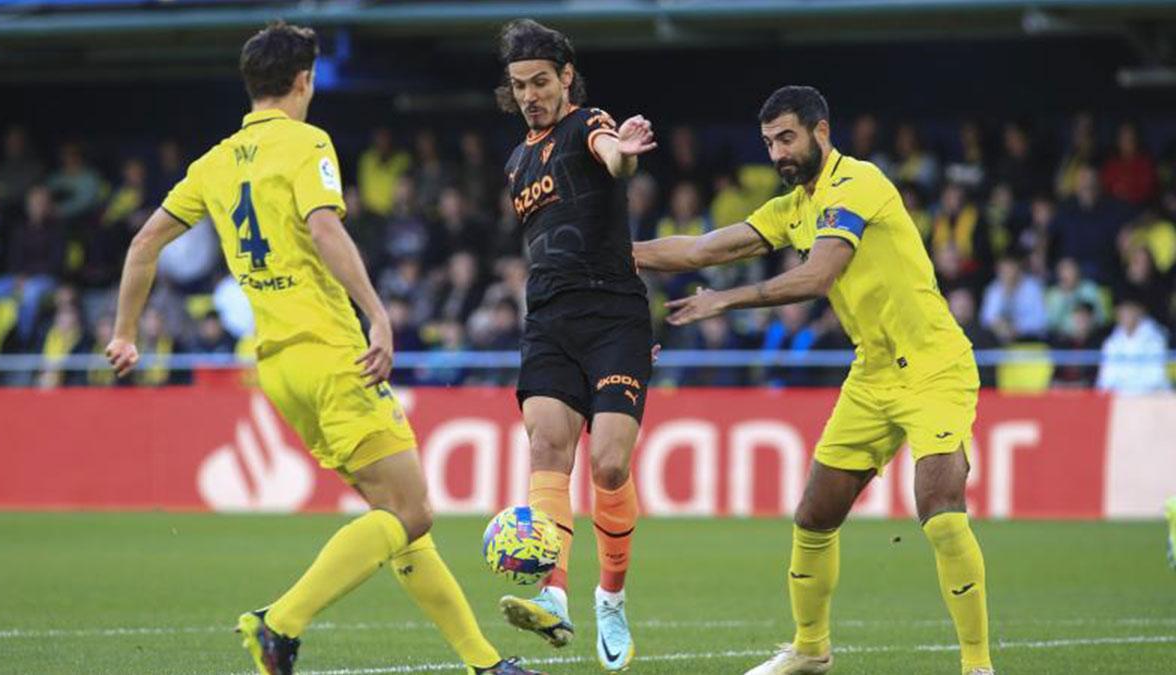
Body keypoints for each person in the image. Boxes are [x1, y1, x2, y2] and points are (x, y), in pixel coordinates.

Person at [103, 22, 540, 675]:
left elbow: (143, 244)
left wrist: (124, 332)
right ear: (304, 81)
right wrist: (378, 313)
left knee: (392, 518)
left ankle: (483, 663)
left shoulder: (215, 162)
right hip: (334, 354)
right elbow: (325, 226)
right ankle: (278, 622)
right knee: (413, 510)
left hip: (277, 366)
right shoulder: (308, 143)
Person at [633, 86, 994, 675]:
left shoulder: (860, 184)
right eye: (769, 142)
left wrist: (726, 300)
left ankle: (977, 666)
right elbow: (701, 249)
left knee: (940, 507)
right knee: (814, 515)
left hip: (934, 366)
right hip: (872, 373)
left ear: (821, 131)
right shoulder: (793, 207)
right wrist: (619, 254)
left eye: (787, 138)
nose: (778, 152)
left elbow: (819, 275)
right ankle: (810, 650)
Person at [493, 18, 657, 671]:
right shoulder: (515, 162)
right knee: (547, 446)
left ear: (565, 76)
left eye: (540, 81)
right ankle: (553, 593)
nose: (531, 94)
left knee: (610, 466)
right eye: (519, 85)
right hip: (550, 321)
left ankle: (610, 596)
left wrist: (627, 150)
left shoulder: (589, 121)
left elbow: (611, 155)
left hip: (615, 313)